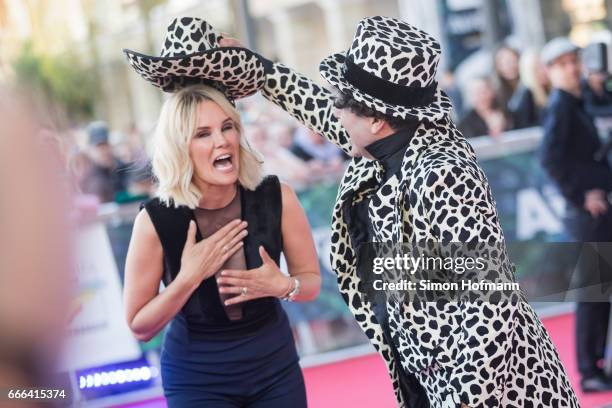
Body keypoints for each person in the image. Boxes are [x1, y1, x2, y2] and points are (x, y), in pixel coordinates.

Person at [222, 15, 578, 407]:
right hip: (435, 377)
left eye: (343, 103)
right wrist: (261, 71)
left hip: (494, 391)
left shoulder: (442, 172)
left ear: (376, 119)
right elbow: (325, 113)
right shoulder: (393, 138)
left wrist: (463, 399)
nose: (336, 114)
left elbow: (489, 305)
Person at [122, 18, 321, 408]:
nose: (221, 141)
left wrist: (282, 286)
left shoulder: (277, 197)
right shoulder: (156, 220)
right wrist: (189, 277)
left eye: (227, 127)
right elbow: (140, 325)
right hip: (198, 379)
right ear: (181, 147)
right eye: (203, 134)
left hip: (275, 368)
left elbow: (310, 283)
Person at [539, 36, 612, 393]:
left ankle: (597, 365)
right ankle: (589, 370)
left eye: (574, 60)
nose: (572, 68)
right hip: (588, 214)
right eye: (563, 63)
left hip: (599, 210)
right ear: (550, 71)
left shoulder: (581, 98)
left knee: (602, 290)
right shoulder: (561, 105)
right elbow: (550, 160)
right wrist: (582, 196)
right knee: (595, 292)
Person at [80, 121, 129, 202]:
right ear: (90, 149)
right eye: (99, 146)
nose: (104, 151)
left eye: (106, 144)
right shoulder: (88, 177)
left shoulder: (122, 168)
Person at [508, 48, 550, 129]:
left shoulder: (551, 90)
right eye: (537, 68)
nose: (543, 71)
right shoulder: (527, 95)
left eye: (544, 66)